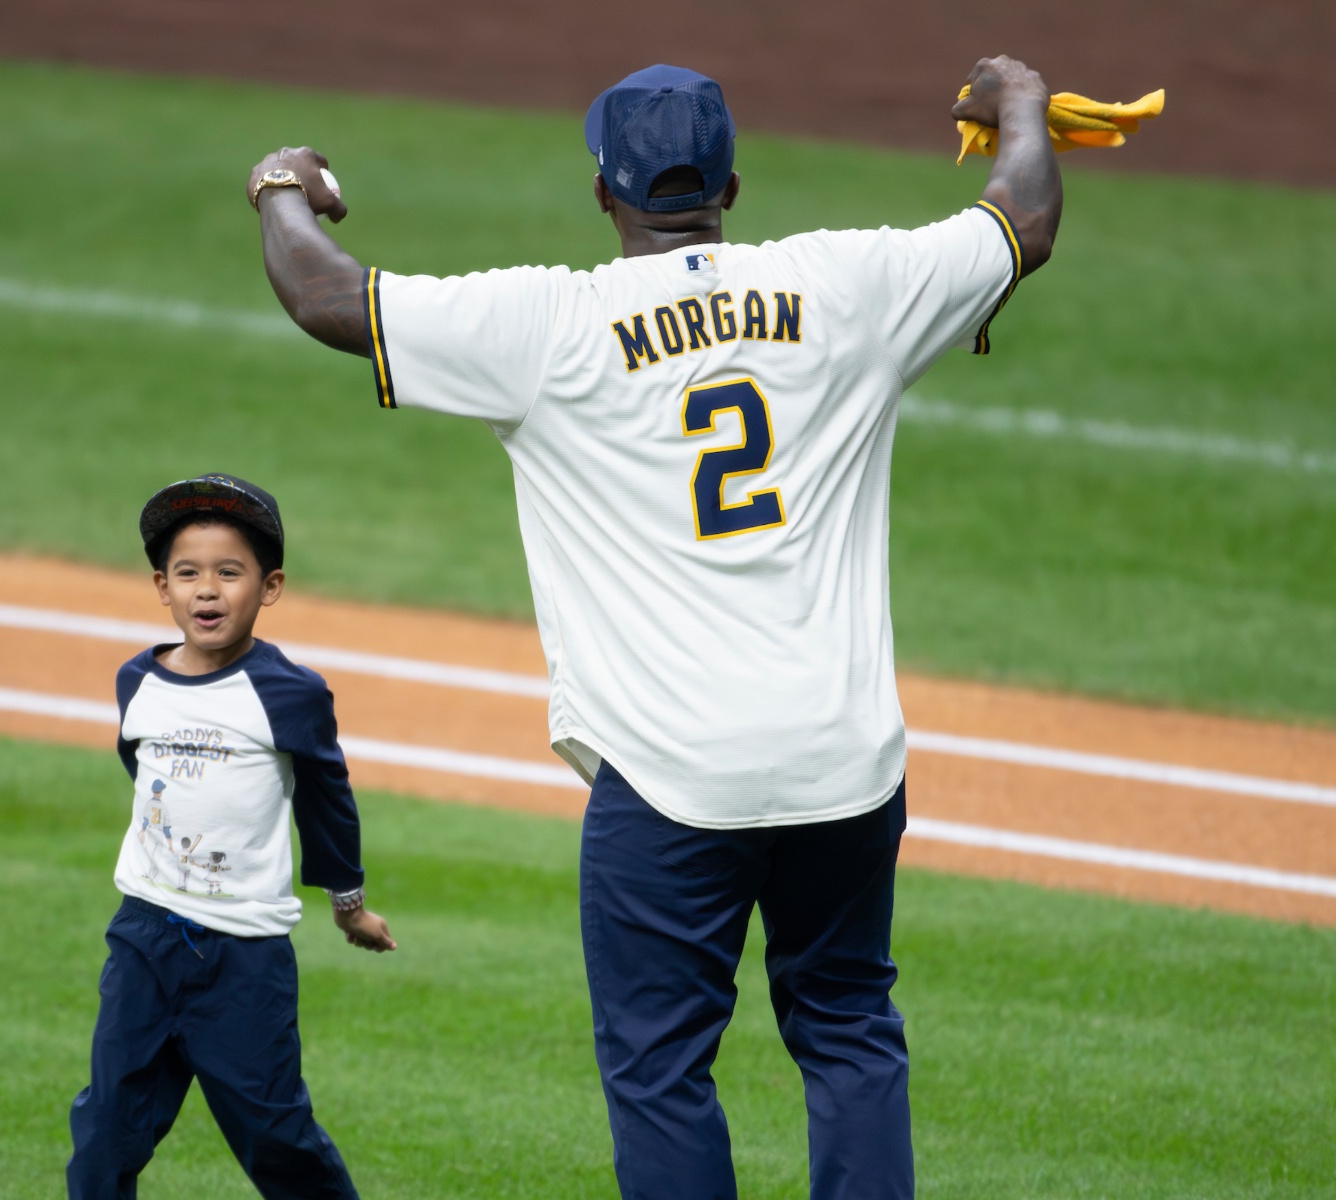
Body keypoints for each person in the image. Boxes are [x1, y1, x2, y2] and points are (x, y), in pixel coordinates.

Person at [245, 55, 1060, 1200]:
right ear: (731, 186)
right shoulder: (850, 286)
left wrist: (282, 182)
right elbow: (1018, 218)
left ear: (602, 195)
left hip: (671, 783)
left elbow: (327, 297)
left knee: (660, 1064)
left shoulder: (547, 323)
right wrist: (1021, 105)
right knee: (847, 1030)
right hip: (845, 760)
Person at [67, 472, 396, 1200]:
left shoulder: (291, 694)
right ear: (162, 587)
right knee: (105, 1132)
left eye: (229, 572)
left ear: (269, 587)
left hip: (243, 957)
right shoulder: (138, 681)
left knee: (275, 1136)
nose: (207, 590)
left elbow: (327, 797)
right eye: (187, 573)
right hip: (144, 938)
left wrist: (349, 905)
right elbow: (142, 765)